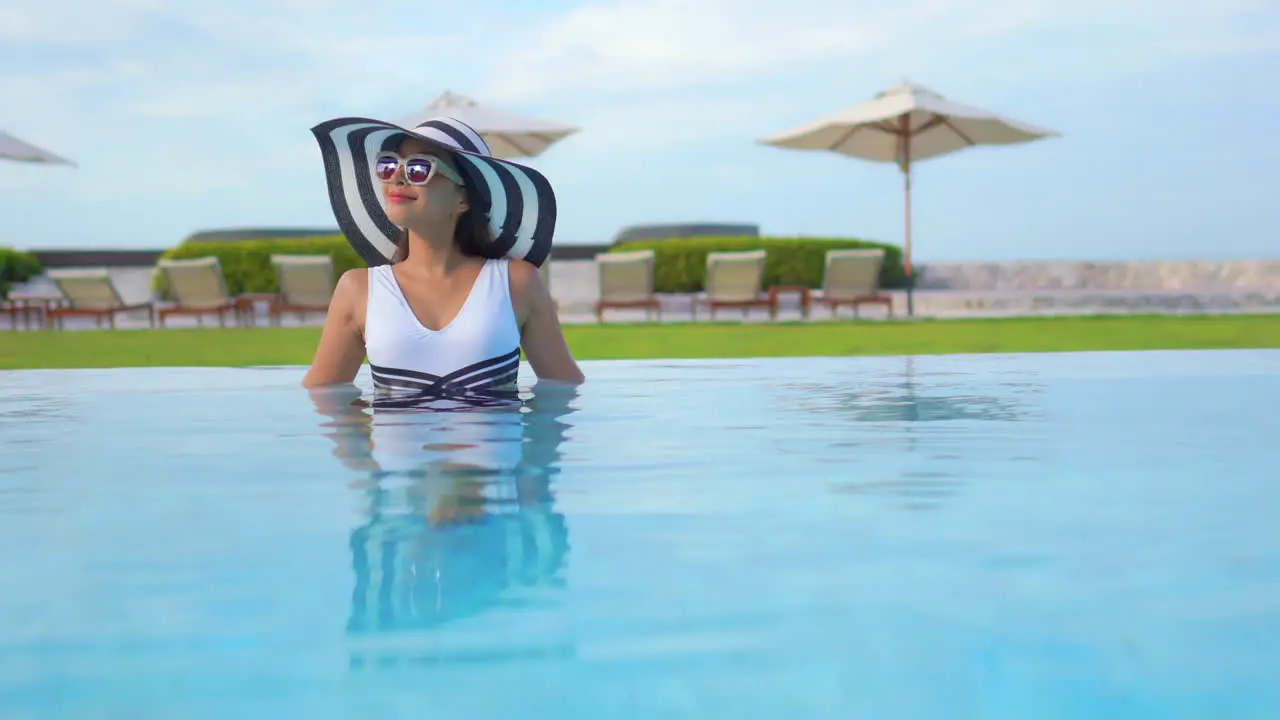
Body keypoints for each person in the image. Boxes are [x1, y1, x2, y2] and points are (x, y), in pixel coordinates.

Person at [301, 115, 584, 390]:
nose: (397, 177)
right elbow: (324, 396)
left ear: (463, 198)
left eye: (419, 168)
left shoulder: (516, 282)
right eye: (389, 165)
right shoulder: (358, 290)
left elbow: (563, 389)